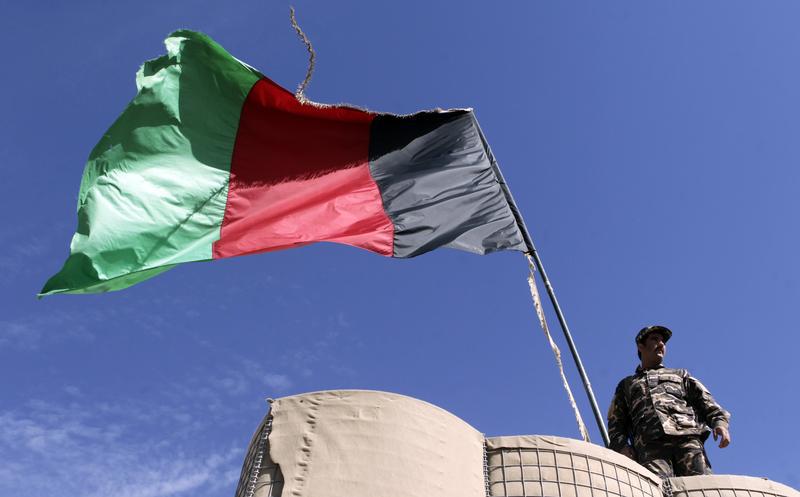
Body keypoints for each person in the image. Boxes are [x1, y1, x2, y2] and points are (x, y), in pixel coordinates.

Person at [607, 325, 731, 478]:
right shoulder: (627, 384)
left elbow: (706, 401)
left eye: (663, 342)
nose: (661, 344)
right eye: (655, 339)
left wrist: (720, 423)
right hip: (651, 448)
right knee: (656, 489)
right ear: (641, 346)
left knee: (701, 487)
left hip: (688, 440)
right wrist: (621, 447)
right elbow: (615, 423)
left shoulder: (680, 375)